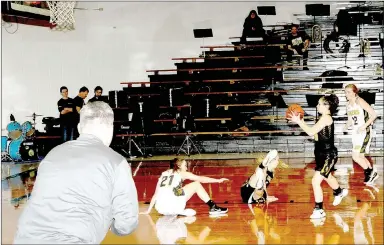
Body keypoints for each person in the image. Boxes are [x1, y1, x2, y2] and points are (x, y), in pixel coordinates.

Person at [13, 102, 139, 244]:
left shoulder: (53, 154)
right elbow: (126, 224)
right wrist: (112, 226)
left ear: (79, 128)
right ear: (111, 128)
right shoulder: (116, 162)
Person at [288, 94, 348, 219]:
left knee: (315, 181)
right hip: (320, 154)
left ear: (327, 106)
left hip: (328, 155)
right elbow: (314, 135)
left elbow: (310, 132)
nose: (317, 106)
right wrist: (302, 122)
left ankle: (319, 209)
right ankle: (339, 192)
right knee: (327, 176)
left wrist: (299, 121)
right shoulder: (322, 118)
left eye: (319, 104)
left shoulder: (326, 118)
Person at [140, 158, 229, 216]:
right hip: (174, 205)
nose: (186, 168)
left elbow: (156, 194)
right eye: (185, 166)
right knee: (196, 184)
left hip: (161, 208)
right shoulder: (181, 173)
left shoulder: (164, 174)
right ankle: (213, 207)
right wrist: (218, 180)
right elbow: (201, 179)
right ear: (178, 166)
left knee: (176, 190)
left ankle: (177, 211)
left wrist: (148, 211)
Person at [344, 84, 378, 184]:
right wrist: (346, 125)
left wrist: (364, 126)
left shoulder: (359, 101)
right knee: (361, 156)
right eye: (345, 92)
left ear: (355, 92)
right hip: (355, 132)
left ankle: (370, 172)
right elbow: (350, 119)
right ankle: (371, 173)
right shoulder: (348, 104)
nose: (346, 94)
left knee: (355, 156)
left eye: (348, 92)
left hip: (364, 132)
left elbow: (374, 114)